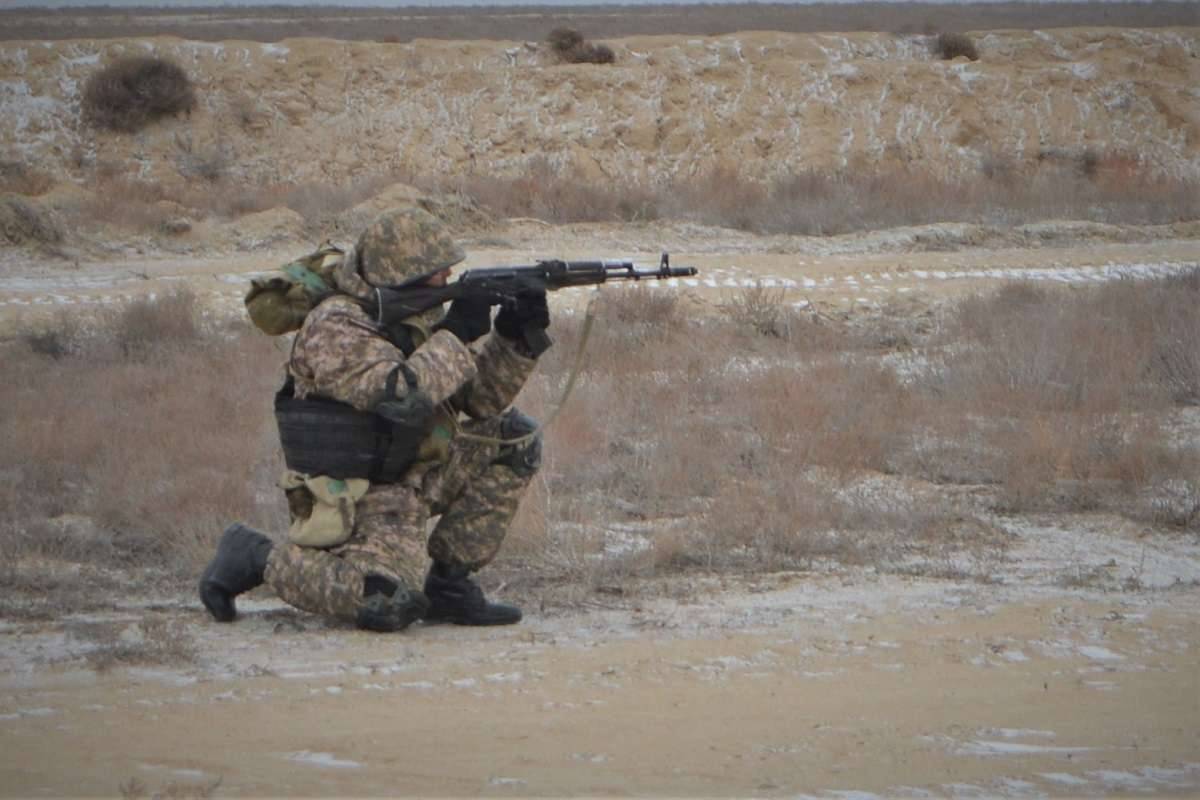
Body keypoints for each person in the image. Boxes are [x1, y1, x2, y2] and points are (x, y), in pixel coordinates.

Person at [198, 207, 548, 632]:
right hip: (361, 495)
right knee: (386, 604)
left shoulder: (415, 313)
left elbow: (478, 402)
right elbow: (402, 394)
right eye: (438, 274)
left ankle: (450, 588)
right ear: (400, 274)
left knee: (515, 438)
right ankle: (256, 555)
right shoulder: (336, 325)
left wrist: (515, 337)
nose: (447, 280)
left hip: (417, 472)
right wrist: (455, 334)